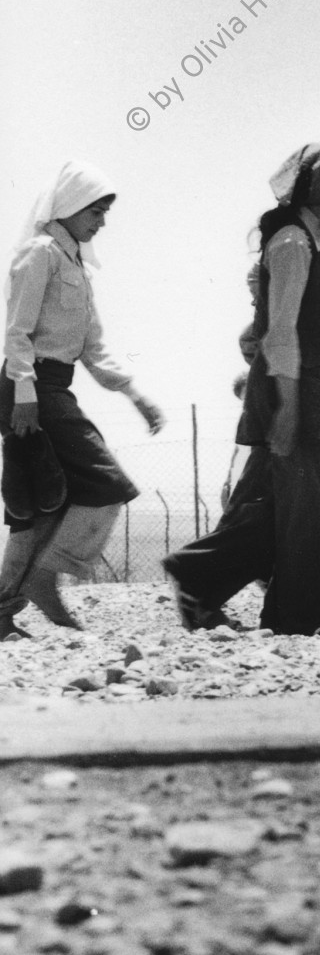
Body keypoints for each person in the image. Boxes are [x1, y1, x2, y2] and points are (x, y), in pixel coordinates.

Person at [162, 143, 320, 635]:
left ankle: (199, 576)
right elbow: (281, 330)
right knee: (310, 504)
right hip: (289, 388)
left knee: (275, 503)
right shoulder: (293, 242)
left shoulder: (315, 240)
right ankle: (306, 615)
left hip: (304, 384)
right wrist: (290, 406)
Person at [0, 162, 164, 637]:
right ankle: (45, 579)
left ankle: (6, 604)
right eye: (95, 211)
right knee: (107, 483)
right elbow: (17, 331)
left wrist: (135, 394)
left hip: (51, 386)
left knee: (42, 502)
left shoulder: (77, 264)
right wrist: (25, 394)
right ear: (70, 207)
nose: (101, 222)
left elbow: (93, 348)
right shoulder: (40, 253)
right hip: (28, 387)